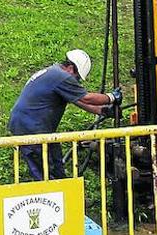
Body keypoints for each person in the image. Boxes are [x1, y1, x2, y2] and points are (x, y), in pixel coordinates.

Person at [8, 48, 121, 181]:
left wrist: (101, 110)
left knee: (56, 165)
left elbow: (77, 100)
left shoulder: (53, 73)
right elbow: (86, 98)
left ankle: (64, 194)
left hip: (35, 127)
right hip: (30, 129)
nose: (77, 82)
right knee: (44, 171)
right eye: (78, 78)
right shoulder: (61, 77)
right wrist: (111, 97)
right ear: (71, 68)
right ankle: (50, 196)